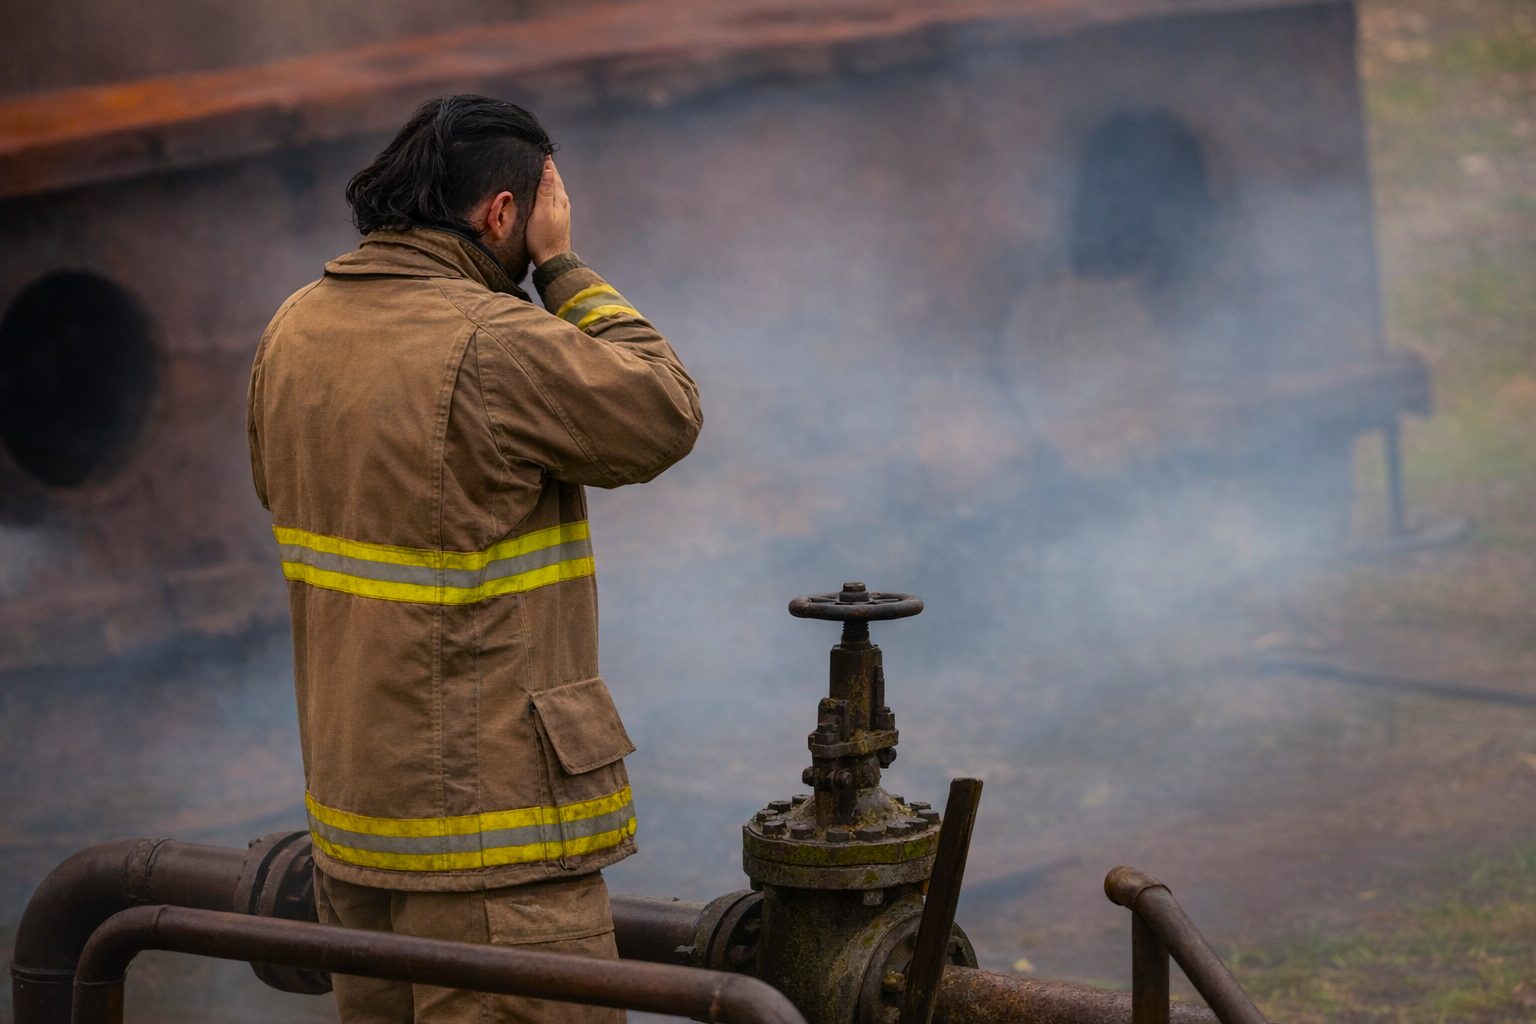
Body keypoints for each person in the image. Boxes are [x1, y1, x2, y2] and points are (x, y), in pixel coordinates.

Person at [246, 94, 702, 1023]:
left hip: (357, 835)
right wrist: (563, 266)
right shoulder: (496, 342)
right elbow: (664, 411)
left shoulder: (291, 330)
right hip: (494, 856)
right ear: (503, 214)